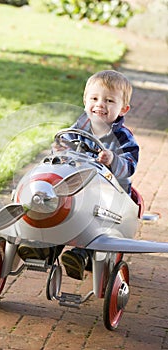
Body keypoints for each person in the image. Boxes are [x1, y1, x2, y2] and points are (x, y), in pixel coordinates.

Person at [18, 70, 139, 280]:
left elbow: (129, 167)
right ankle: (45, 248)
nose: (100, 105)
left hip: (109, 194)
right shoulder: (78, 127)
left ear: (123, 109)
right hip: (79, 188)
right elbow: (64, 153)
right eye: (94, 98)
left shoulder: (123, 137)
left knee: (98, 225)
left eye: (109, 100)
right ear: (85, 102)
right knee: (62, 207)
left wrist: (113, 160)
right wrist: (60, 150)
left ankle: (82, 255)